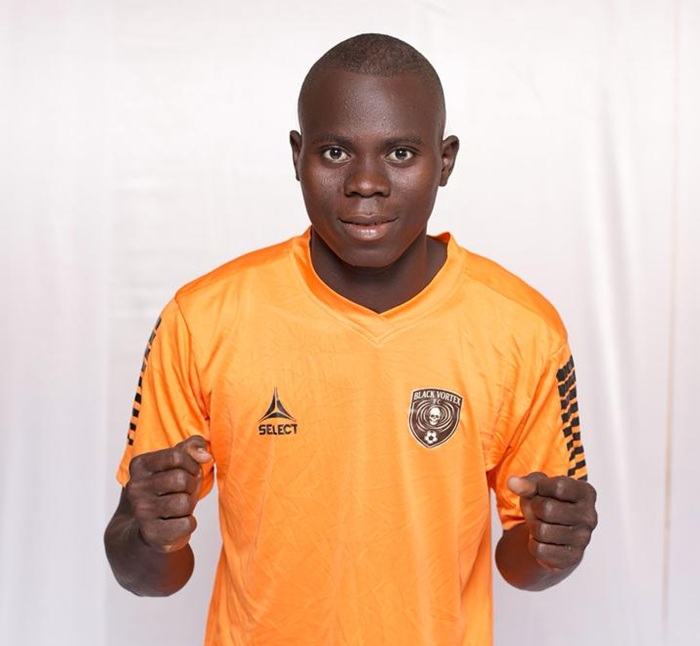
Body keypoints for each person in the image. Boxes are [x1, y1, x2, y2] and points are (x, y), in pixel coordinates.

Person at [104, 33, 597, 645]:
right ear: (297, 156)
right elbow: (147, 575)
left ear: (445, 161)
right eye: (336, 152)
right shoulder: (203, 318)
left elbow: (524, 564)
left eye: (401, 153)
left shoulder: (521, 329)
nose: (366, 183)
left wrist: (555, 547)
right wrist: (149, 534)